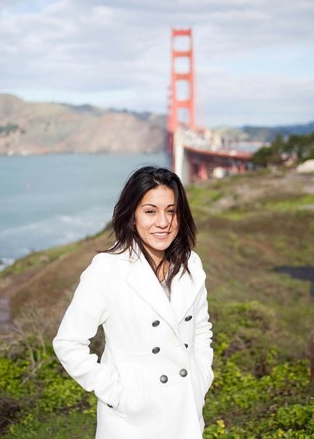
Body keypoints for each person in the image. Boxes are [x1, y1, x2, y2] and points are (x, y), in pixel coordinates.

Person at [53, 166, 213, 439]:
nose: (163, 222)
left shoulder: (191, 264)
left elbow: (201, 329)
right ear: (132, 215)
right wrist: (119, 395)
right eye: (150, 211)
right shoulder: (107, 269)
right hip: (132, 422)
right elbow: (68, 343)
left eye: (171, 211)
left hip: (185, 410)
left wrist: (201, 378)